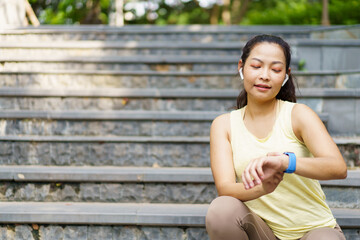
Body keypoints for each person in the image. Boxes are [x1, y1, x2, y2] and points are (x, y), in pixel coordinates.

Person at [205, 34, 347, 240]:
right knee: (221, 209)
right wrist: (263, 188)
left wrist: (285, 162)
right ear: (241, 67)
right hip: (262, 232)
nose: (265, 75)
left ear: (286, 75)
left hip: (313, 230)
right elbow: (225, 188)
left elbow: (338, 167)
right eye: (256, 66)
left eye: (276, 69)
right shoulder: (224, 125)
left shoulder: (299, 114)